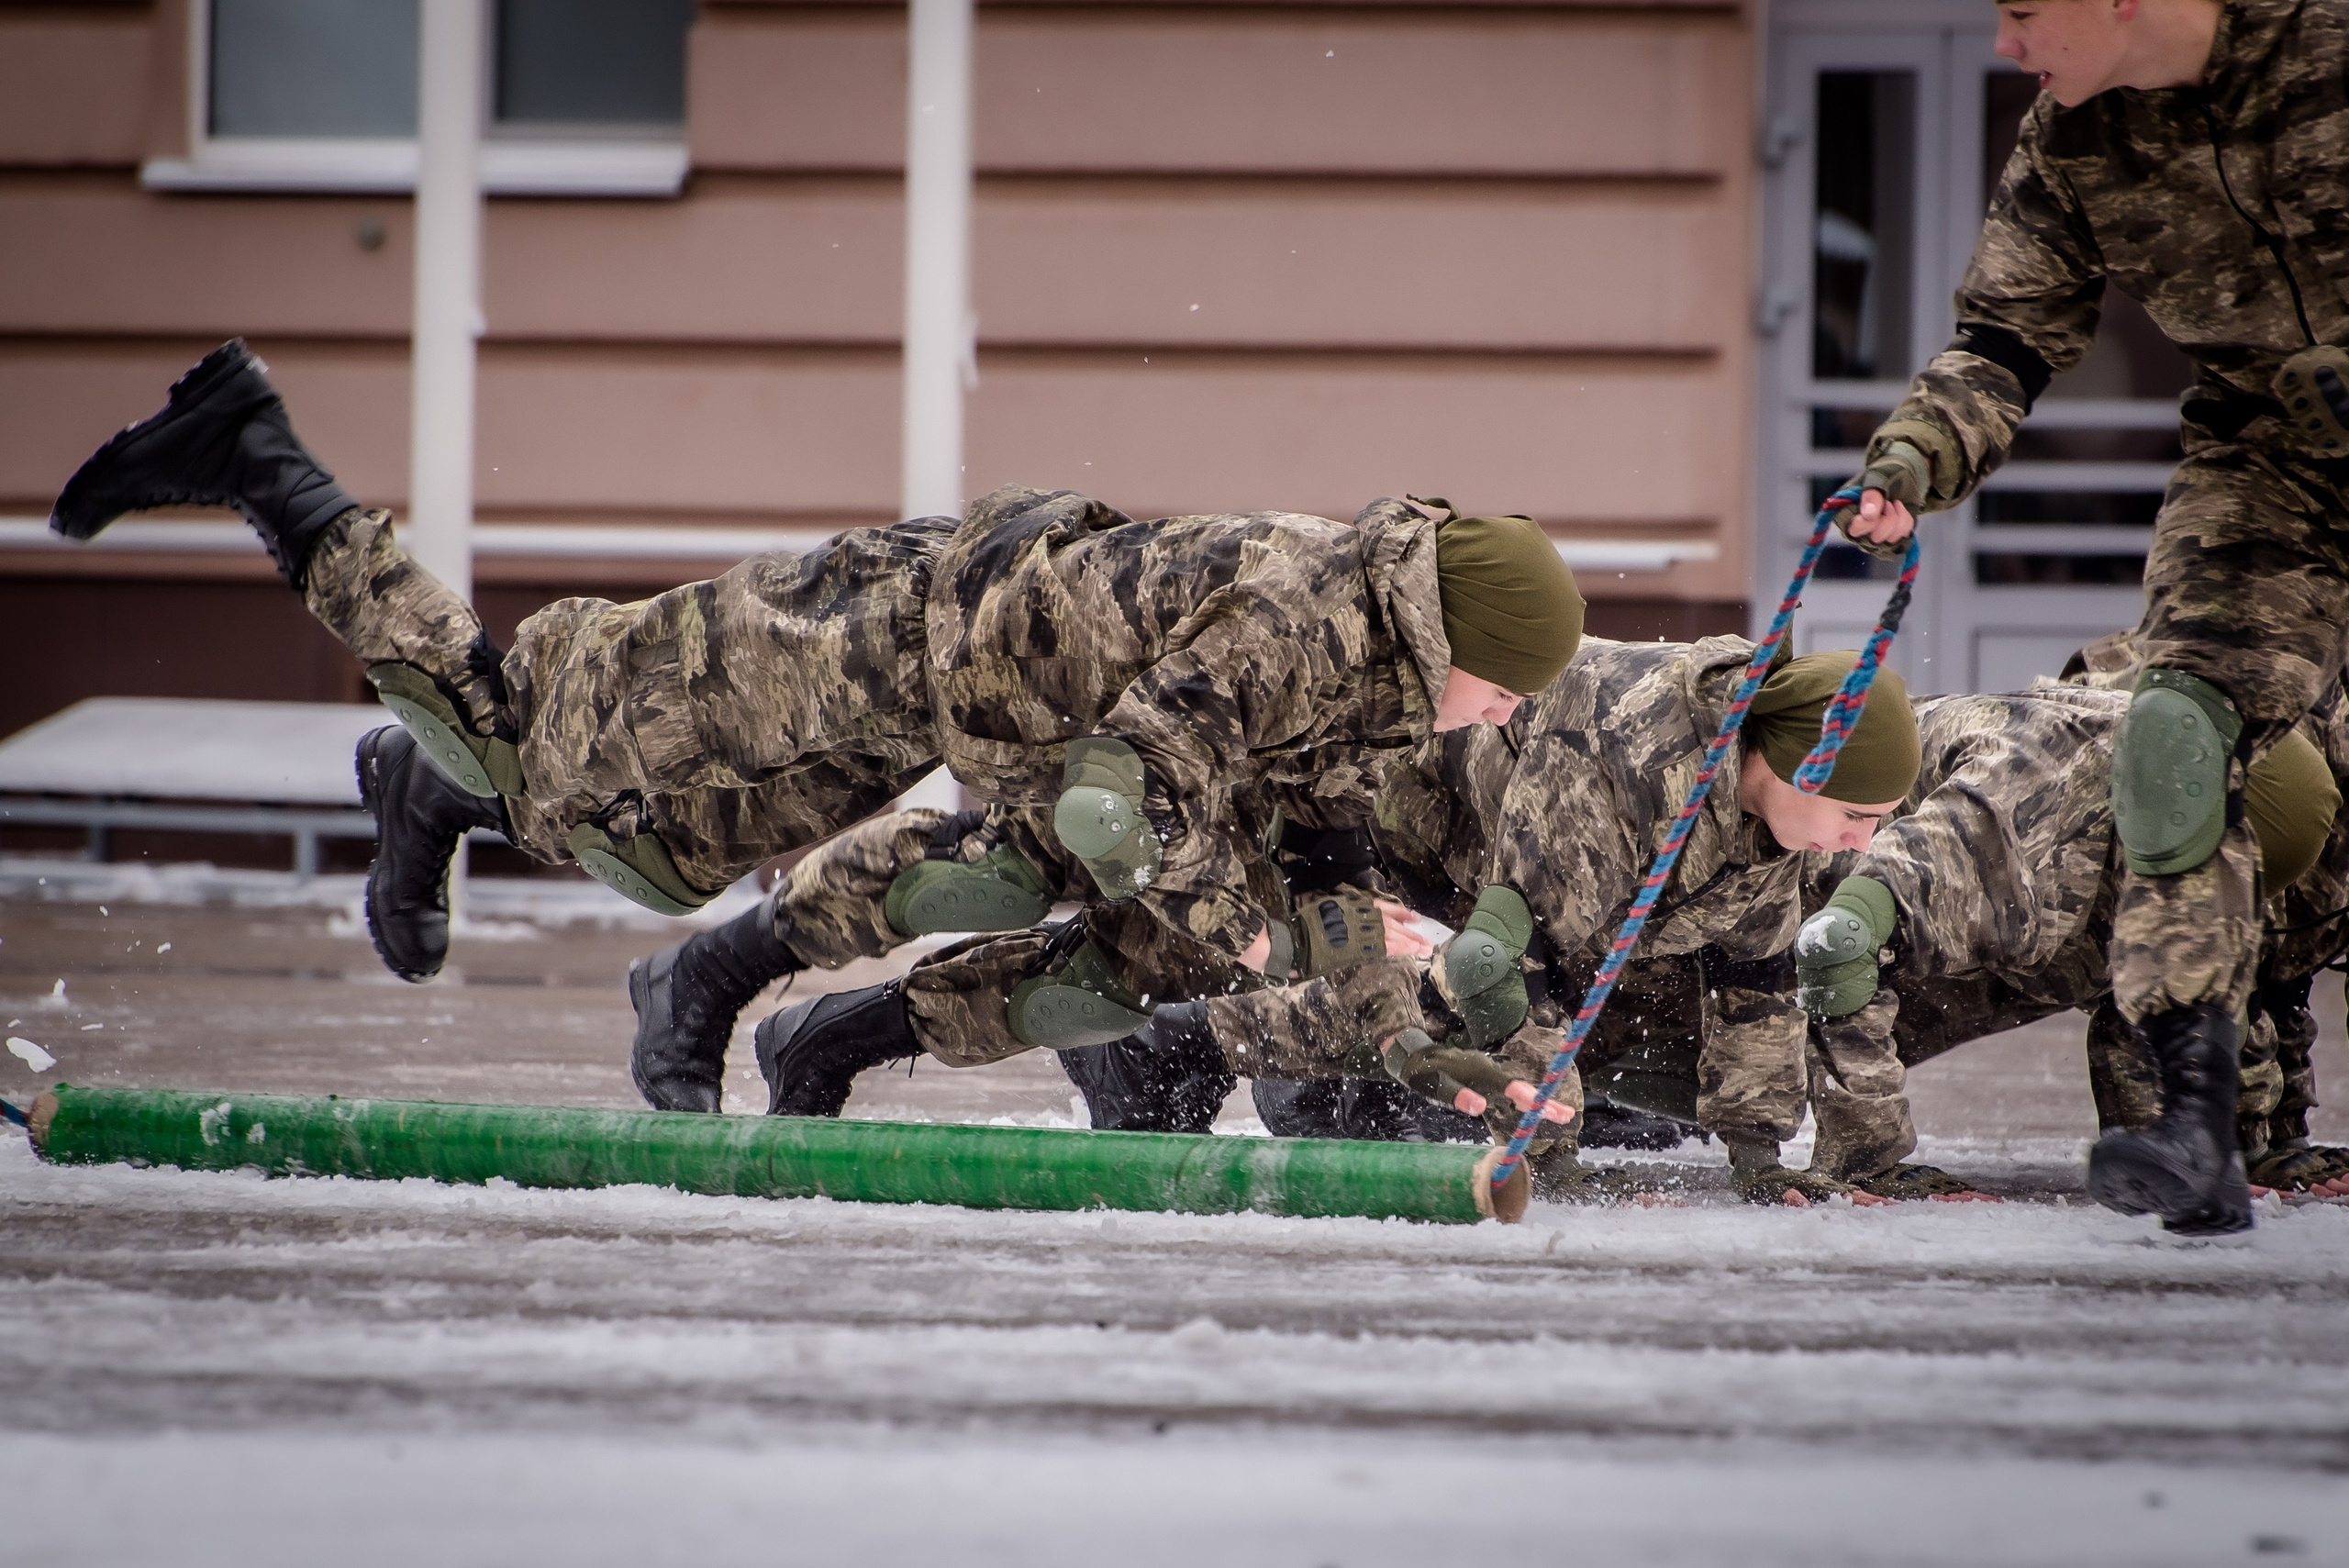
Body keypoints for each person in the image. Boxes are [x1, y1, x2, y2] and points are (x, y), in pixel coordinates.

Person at [50, 342, 1584, 1024]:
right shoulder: (1304, 619)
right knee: (525, 727)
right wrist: (1251, 937)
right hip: (872, 630)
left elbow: (1309, 809)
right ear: (1458, 653)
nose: (1505, 722)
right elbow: (1126, 806)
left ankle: (432, 787)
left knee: (656, 861)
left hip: (945, 698)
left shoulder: (1381, 660)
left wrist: (1357, 917)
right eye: (1506, 695)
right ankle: (257, 455)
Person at [1834, 0, 2349, 1231]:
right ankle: (2194, 1122)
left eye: (2022, 10)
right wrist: (1911, 459)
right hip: (2269, 460)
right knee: (2170, 736)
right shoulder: (2075, 136)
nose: (2006, 43)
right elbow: (2005, 339)